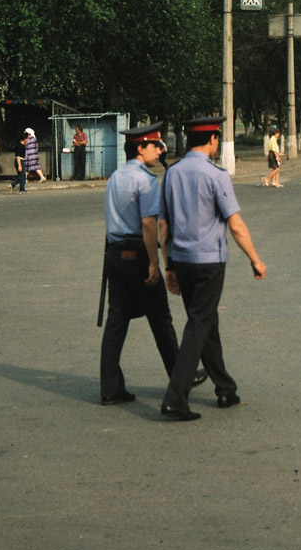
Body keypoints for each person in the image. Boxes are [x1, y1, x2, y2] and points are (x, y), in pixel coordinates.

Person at [159, 116, 266, 421]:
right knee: (198, 324)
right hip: (209, 263)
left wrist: (169, 266)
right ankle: (175, 397)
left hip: (181, 260)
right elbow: (236, 224)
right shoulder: (216, 175)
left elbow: (164, 225)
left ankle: (225, 388)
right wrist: (255, 259)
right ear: (213, 139)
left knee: (206, 322)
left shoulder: (172, 174)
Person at [99, 122, 207, 405]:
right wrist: (153, 263)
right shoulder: (145, 181)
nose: (160, 150)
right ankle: (180, 376)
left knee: (116, 322)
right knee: (161, 319)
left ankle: (110, 388)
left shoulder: (115, 177)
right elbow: (149, 225)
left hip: (114, 256)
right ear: (140, 148)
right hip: (137, 256)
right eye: (155, 145)